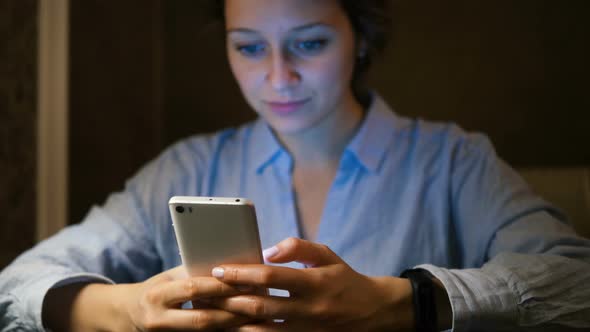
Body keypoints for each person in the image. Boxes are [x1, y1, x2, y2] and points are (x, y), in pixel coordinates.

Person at [2, 0, 590, 331]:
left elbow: (577, 283)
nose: (277, 78)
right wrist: (127, 310)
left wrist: (403, 303)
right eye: (249, 47)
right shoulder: (185, 170)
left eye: (308, 44)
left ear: (359, 39)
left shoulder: (454, 161)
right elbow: (16, 287)